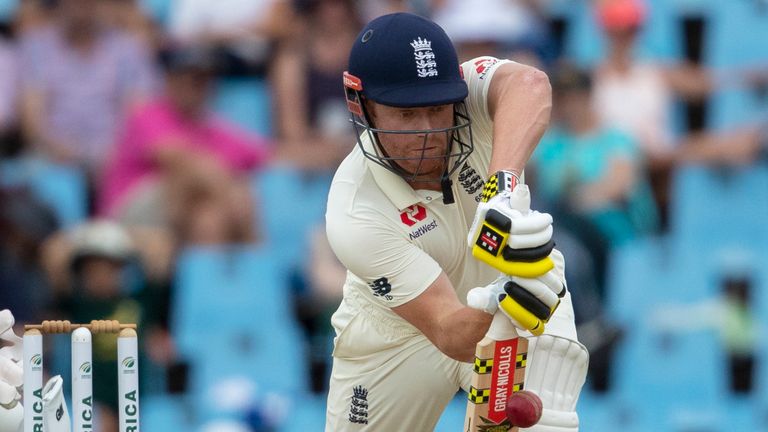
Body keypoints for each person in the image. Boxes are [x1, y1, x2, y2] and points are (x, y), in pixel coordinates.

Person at [325, 13, 587, 431]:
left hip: (521, 297)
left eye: (436, 108)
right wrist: (506, 300)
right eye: (407, 115)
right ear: (362, 105)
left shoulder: (471, 91)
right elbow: (451, 331)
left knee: (543, 419)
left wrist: (501, 191)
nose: (429, 131)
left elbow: (531, 85)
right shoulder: (355, 210)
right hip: (396, 334)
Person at [99, 45, 270, 245]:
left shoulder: (213, 128)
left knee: (210, 217)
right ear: (171, 79)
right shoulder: (147, 114)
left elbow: (268, 155)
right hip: (129, 216)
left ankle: (235, 269)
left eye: (206, 79)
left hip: (186, 218)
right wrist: (233, 192)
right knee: (189, 179)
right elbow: (175, 158)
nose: (201, 86)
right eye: (192, 78)